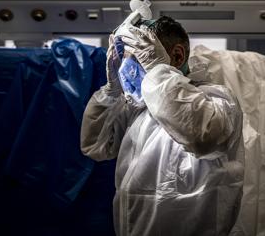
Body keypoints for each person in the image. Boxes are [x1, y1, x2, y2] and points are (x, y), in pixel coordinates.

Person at [80, 16, 244, 236]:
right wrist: (112, 90)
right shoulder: (138, 109)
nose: (130, 71)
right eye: (126, 63)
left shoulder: (217, 100)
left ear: (177, 56)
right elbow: (96, 146)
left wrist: (157, 70)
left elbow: (202, 136)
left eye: (141, 60)